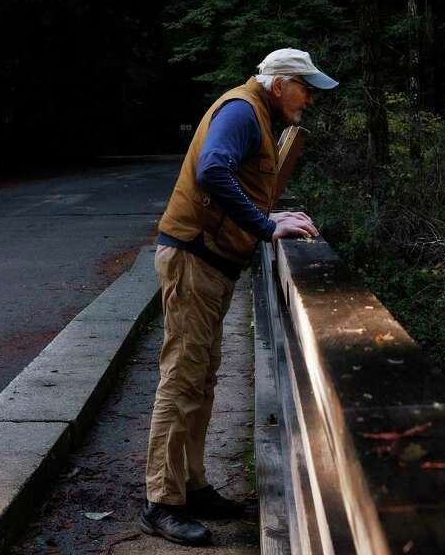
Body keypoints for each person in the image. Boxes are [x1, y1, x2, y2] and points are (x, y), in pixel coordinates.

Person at [140, 48, 337, 546]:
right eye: (305, 88)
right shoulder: (241, 111)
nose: (310, 98)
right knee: (182, 379)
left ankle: (193, 486)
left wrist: (265, 220)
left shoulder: (255, 112)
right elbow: (212, 171)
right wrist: (266, 225)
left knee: (201, 380)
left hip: (209, 262)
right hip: (194, 259)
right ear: (278, 83)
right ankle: (162, 502)